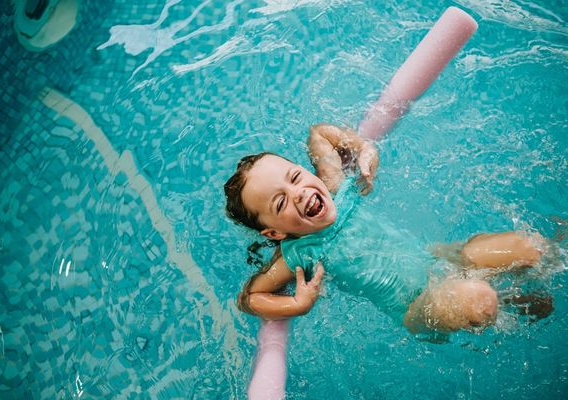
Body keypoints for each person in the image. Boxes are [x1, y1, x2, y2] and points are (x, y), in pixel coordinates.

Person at [224, 123, 545, 333]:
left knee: (529, 247)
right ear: (275, 233)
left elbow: (319, 133)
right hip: (416, 306)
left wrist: (365, 149)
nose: (298, 193)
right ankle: (507, 301)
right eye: (280, 204)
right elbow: (249, 297)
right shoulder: (299, 254)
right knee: (478, 298)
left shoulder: (333, 185)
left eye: (294, 177)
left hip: (434, 258)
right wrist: (298, 304)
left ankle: (509, 289)